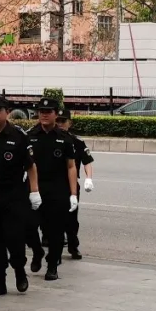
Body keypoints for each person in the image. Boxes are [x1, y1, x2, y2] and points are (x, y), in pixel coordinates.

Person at [0, 96, 40, 296]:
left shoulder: (19, 136)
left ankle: (20, 272)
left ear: (7, 112)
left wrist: (34, 191)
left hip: (14, 197)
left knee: (14, 239)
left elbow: (30, 166)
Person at [26, 97, 78, 281]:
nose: (44, 115)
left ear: (56, 114)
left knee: (56, 230)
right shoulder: (30, 136)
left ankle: (52, 265)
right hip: (34, 188)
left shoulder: (64, 138)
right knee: (28, 226)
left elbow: (71, 166)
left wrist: (73, 194)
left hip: (57, 189)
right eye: (41, 111)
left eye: (48, 112)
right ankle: (37, 251)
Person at [56, 109, 94, 260]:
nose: (59, 124)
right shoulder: (48, 139)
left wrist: (89, 178)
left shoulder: (76, 141)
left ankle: (73, 246)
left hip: (70, 185)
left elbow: (87, 161)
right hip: (52, 183)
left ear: (69, 123)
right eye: (57, 121)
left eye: (63, 121)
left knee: (71, 219)